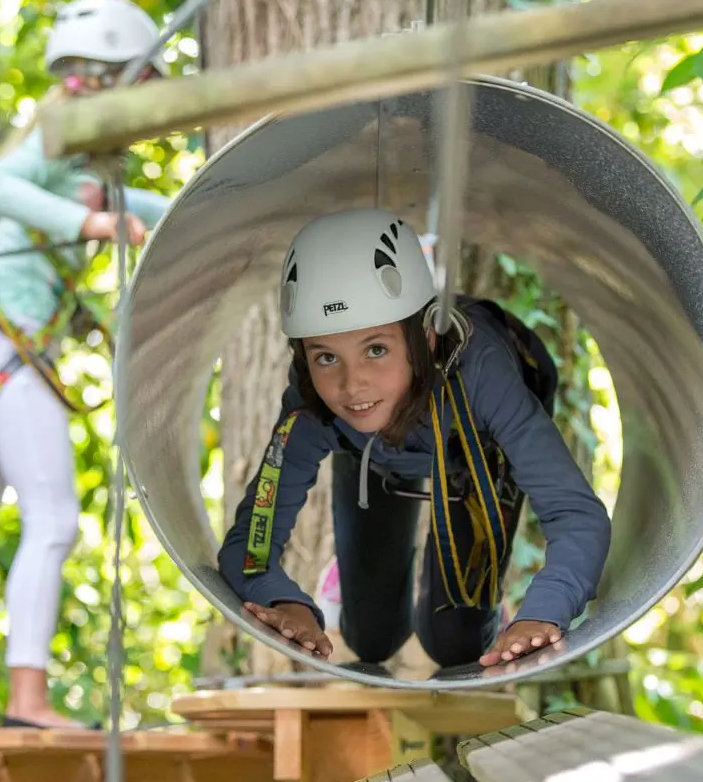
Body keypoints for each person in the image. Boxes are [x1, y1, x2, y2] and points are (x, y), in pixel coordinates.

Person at [0, 0, 172, 731]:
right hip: (6, 347)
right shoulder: (53, 146)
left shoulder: (78, 161)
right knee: (52, 518)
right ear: (111, 81)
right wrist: (92, 223)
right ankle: (28, 701)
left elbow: (153, 202)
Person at [217, 207, 612, 674]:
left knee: (456, 645)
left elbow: (577, 514)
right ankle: (350, 575)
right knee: (371, 639)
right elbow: (250, 540)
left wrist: (544, 610)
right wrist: (282, 599)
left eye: (376, 349)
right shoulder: (313, 399)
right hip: (373, 459)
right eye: (326, 356)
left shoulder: (483, 374)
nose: (352, 384)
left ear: (426, 337)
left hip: (474, 454)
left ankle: (485, 609)